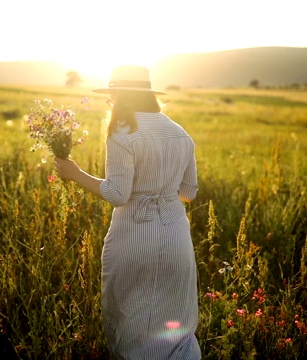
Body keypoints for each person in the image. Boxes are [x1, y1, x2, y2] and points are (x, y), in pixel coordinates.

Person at [54, 65, 201, 359]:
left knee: (129, 312)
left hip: (134, 233)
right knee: (175, 316)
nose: (110, 103)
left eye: (112, 96)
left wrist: (75, 173)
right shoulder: (180, 132)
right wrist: (162, 193)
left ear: (120, 96)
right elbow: (189, 192)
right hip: (175, 234)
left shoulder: (122, 132)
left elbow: (118, 194)